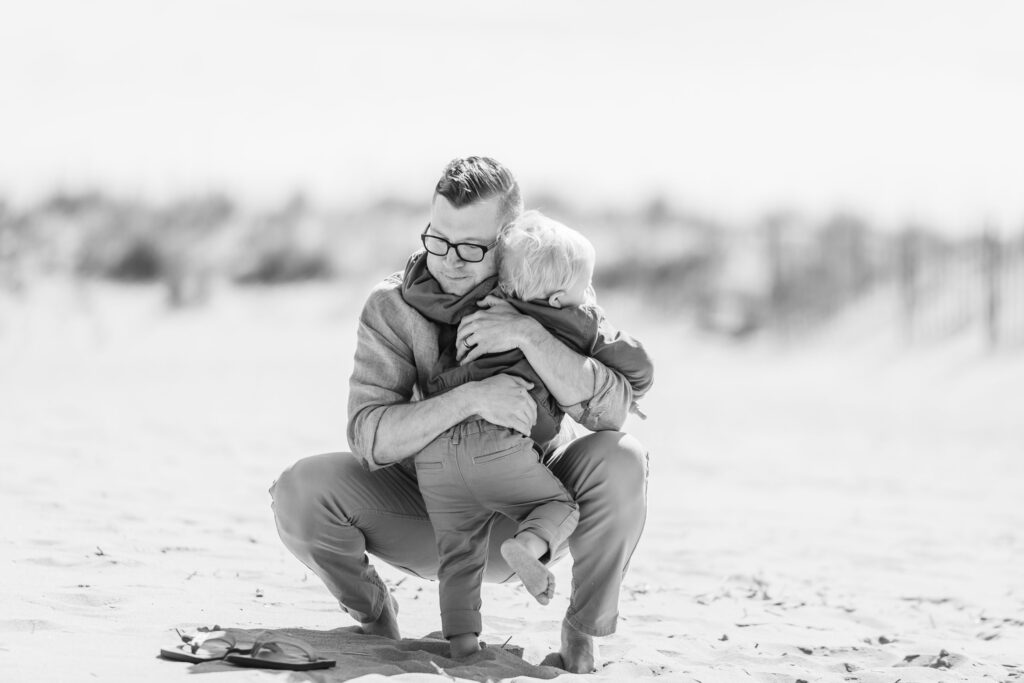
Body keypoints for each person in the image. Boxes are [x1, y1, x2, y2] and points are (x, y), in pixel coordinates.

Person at [269, 156, 652, 673]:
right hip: (428, 510)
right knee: (299, 490)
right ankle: (375, 615)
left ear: (509, 239)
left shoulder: (546, 280)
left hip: (535, 510)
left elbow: (613, 409)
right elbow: (367, 435)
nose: (450, 261)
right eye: (438, 239)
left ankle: (581, 633)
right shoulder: (391, 305)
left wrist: (526, 334)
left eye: (472, 247)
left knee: (623, 458)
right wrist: (471, 398)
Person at [403, 208, 652, 657]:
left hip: (435, 448)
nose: (589, 294)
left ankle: (462, 643)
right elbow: (638, 366)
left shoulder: (481, 304)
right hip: (499, 444)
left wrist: (417, 269)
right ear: (558, 297)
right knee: (559, 506)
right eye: (585, 285)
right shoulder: (571, 319)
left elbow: (422, 292)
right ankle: (528, 545)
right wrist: (611, 346)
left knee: (458, 550)